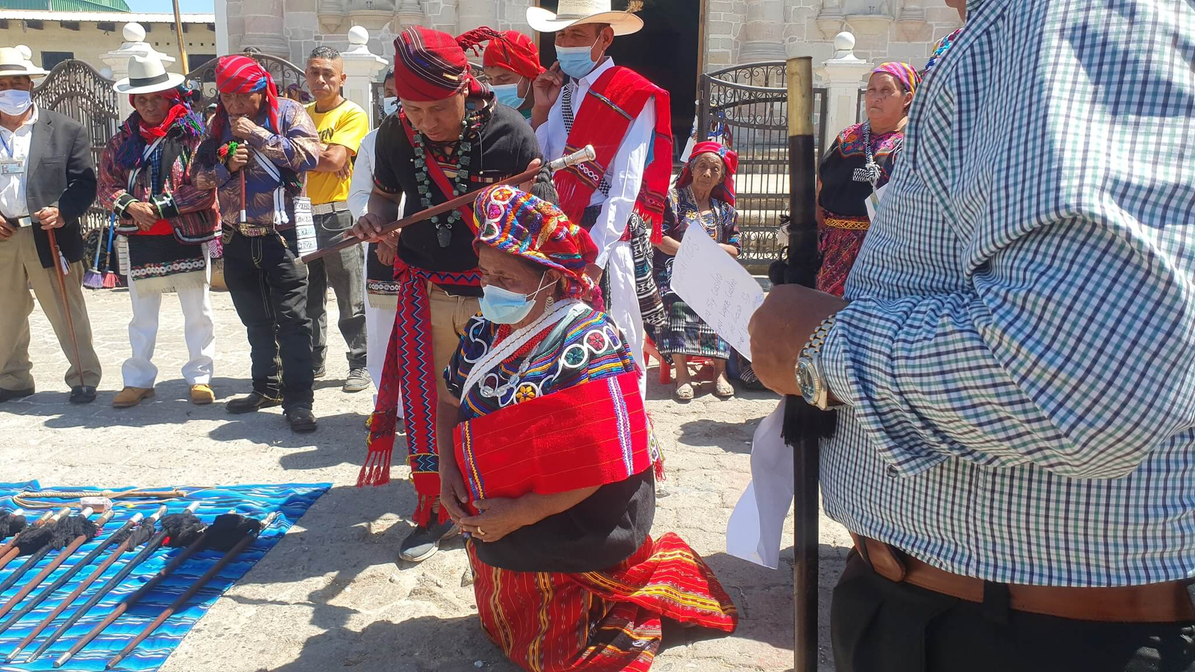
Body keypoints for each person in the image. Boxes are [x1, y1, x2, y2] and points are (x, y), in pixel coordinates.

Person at [746, 1, 1195, 670]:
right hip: (960, 605)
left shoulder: (1063, 18)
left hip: (1026, 629)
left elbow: (1084, 384)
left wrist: (823, 349)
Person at [442, 184, 737, 670]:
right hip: (505, 506)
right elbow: (450, 397)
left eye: (507, 278)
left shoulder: (590, 342)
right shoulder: (482, 330)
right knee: (507, 626)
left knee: (558, 659)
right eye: (486, 273)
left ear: (551, 278)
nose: (491, 288)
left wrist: (520, 514)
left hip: (576, 513)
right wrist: (449, 469)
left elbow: (604, 463)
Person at [351, 26, 541, 564]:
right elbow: (384, 199)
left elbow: (533, 223)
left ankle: (497, 509)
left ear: (465, 87)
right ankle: (437, 508)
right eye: (413, 110)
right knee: (435, 404)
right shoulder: (396, 134)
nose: (426, 122)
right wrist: (377, 224)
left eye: (437, 108)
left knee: (497, 402)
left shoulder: (511, 133)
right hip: (426, 289)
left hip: (495, 297)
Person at [529, 0, 673, 399]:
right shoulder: (560, 94)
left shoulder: (632, 93)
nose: (564, 43)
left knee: (613, 341)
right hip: (560, 235)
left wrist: (596, 256)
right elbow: (543, 164)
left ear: (604, 38)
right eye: (560, 35)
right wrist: (540, 109)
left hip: (601, 242)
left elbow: (626, 184)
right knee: (559, 348)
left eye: (576, 34)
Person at [193, 55, 321, 432]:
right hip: (237, 239)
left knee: (293, 321)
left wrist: (258, 135)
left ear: (261, 91)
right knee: (255, 321)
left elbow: (309, 156)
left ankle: (299, 400)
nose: (233, 105)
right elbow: (197, 177)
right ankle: (266, 388)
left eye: (241, 97)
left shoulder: (290, 113)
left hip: (282, 238)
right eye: (226, 97)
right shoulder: (217, 126)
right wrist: (226, 168)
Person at [99, 54, 219, 409]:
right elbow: (106, 184)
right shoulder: (122, 141)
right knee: (142, 315)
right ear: (134, 101)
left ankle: (200, 377)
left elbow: (205, 185)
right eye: (142, 100)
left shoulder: (193, 137)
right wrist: (131, 206)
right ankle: (138, 379)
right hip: (141, 238)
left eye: (157, 98)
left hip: (186, 235)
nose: (149, 105)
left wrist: (159, 208)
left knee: (198, 312)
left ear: (170, 97)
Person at [0, 46, 101, 405]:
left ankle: (83, 377)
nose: (9, 90)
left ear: (30, 85)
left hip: (50, 233)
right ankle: (13, 379)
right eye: (1, 85)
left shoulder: (65, 129)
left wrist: (62, 210)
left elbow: (84, 183)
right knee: (5, 312)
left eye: (16, 83)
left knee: (66, 309)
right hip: (4, 235)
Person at [814, 62, 919, 298]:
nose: (876, 97)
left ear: (907, 98)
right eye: (871, 90)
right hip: (831, 252)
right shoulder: (847, 138)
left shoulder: (914, 144)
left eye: (886, 90)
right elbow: (821, 190)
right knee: (826, 315)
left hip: (884, 254)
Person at [303, 46, 371, 393]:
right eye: (314, 72)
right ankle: (313, 360)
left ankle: (360, 363)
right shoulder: (300, 113)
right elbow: (324, 158)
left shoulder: (352, 114)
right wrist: (323, 153)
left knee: (349, 295)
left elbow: (335, 161)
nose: (320, 79)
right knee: (308, 296)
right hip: (302, 215)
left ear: (342, 78)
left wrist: (300, 151)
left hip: (337, 215)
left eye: (328, 73)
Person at [653, 142, 740, 401]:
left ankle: (719, 373)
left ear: (721, 177)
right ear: (691, 168)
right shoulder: (673, 201)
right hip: (674, 270)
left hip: (711, 273)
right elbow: (659, 238)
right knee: (678, 300)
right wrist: (693, 252)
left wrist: (712, 251)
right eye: (702, 166)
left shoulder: (725, 211)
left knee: (725, 299)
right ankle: (682, 375)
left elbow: (736, 248)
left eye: (715, 169)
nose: (707, 173)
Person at [349, 70, 403, 415]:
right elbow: (359, 195)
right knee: (383, 328)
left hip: (424, 245)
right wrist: (381, 230)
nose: (395, 99)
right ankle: (387, 405)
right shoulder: (372, 141)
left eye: (402, 91)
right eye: (389, 92)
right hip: (381, 243)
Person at [457, 27, 543, 121]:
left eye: (504, 79)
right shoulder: (485, 115)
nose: (495, 86)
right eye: (489, 78)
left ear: (529, 76)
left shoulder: (552, 112)